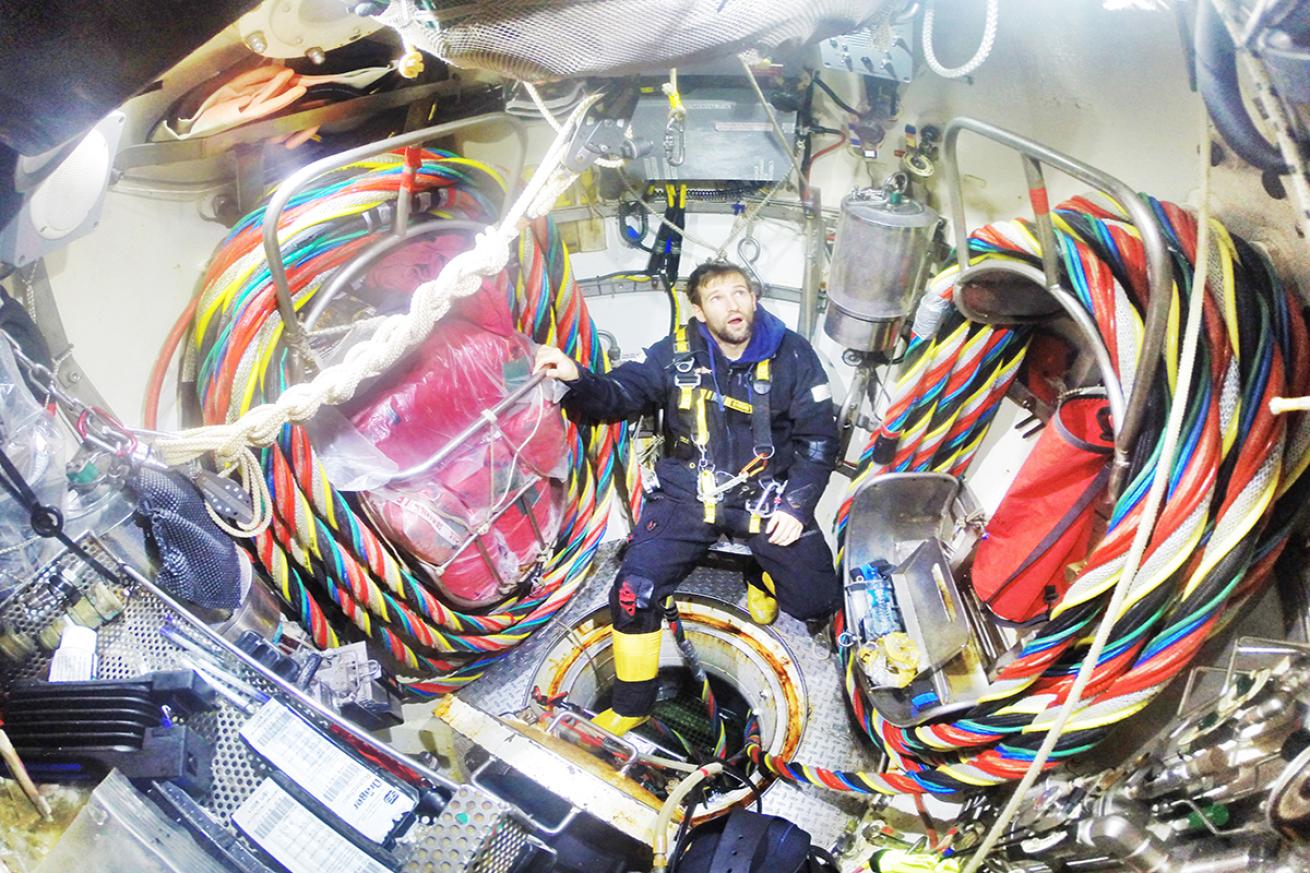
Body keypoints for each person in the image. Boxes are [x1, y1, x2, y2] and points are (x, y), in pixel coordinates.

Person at [534, 261, 842, 735]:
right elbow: (619, 395)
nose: (733, 305)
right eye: (717, 298)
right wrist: (576, 377)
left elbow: (818, 440)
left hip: (766, 496)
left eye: (740, 293)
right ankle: (633, 705)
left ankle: (763, 573)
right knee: (633, 594)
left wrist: (796, 508)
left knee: (819, 600)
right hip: (688, 494)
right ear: (699, 311)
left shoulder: (794, 355)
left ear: (754, 300)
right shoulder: (674, 353)